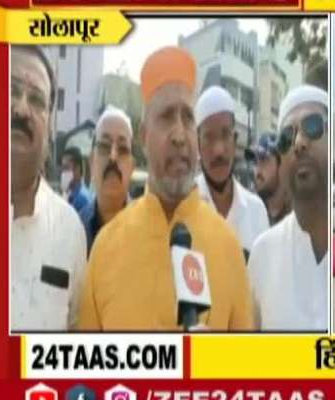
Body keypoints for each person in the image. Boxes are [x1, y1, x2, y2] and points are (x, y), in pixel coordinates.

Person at [78, 47, 253, 331]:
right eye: (167, 117)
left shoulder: (229, 247)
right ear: (145, 137)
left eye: (187, 117)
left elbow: (251, 371)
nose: (180, 135)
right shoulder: (104, 249)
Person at [11, 45, 87, 330]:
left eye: (36, 100)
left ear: (50, 127)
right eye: (11, 89)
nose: (21, 108)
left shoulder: (70, 230)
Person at [248, 85, 329, 331]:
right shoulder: (263, 253)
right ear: (281, 162)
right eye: (286, 137)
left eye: (313, 126)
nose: (299, 143)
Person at [194, 86, 269, 260]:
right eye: (209, 137)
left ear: (235, 141)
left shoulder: (256, 211)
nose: (219, 150)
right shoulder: (183, 207)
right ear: (198, 145)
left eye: (225, 135)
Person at [78, 106, 135, 255]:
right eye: (104, 146)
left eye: (122, 149)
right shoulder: (75, 230)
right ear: (91, 161)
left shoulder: (149, 231)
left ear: (132, 167)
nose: (113, 156)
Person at [246, 133, 291, 226]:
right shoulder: (251, 214)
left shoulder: (299, 216)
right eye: (255, 162)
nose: (257, 170)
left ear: (281, 165)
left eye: (263, 160)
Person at [61, 147, 91, 213]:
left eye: (66, 168)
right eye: (62, 168)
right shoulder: (70, 195)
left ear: (77, 169)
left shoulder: (82, 199)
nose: (63, 173)